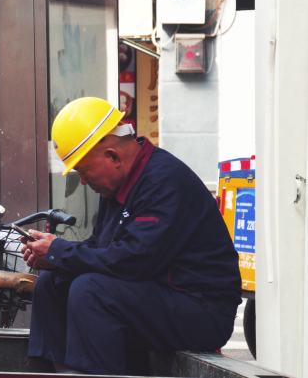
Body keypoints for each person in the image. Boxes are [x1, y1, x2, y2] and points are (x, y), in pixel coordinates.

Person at [22, 97, 241, 375]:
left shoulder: (164, 181)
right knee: (52, 283)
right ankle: (52, 371)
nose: (85, 182)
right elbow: (102, 248)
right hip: (154, 295)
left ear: (112, 156)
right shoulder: (118, 186)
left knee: (91, 291)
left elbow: (135, 260)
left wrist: (60, 252)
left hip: (200, 308)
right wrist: (54, 259)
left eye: (83, 172)